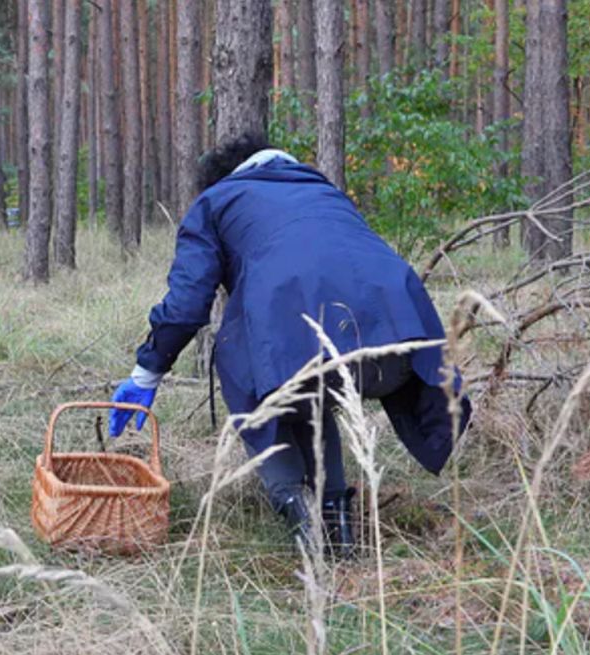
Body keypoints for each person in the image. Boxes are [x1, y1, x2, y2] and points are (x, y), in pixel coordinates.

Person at [108, 132, 471, 557]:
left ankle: (298, 513)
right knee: (309, 391)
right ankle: (339, 531)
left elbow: (188, 304)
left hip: (312, 349)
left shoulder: (215, 201)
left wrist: (147, 372)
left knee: (254, 369)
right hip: (400, 346)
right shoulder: (325, 192)